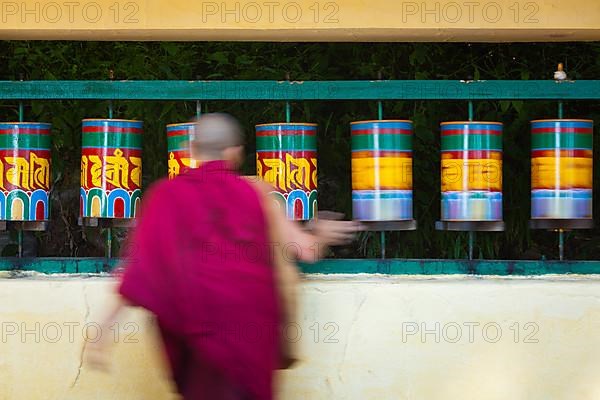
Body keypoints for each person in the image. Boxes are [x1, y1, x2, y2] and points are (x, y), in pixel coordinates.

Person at [87, 113, 360, 400]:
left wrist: (104, 331)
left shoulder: (165, 195)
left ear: (192, 151)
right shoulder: (258, 194)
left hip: (196, 338)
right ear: (235, 153)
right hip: (250, 332)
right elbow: (306, 249)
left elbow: (139, 272)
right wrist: (323, 233)